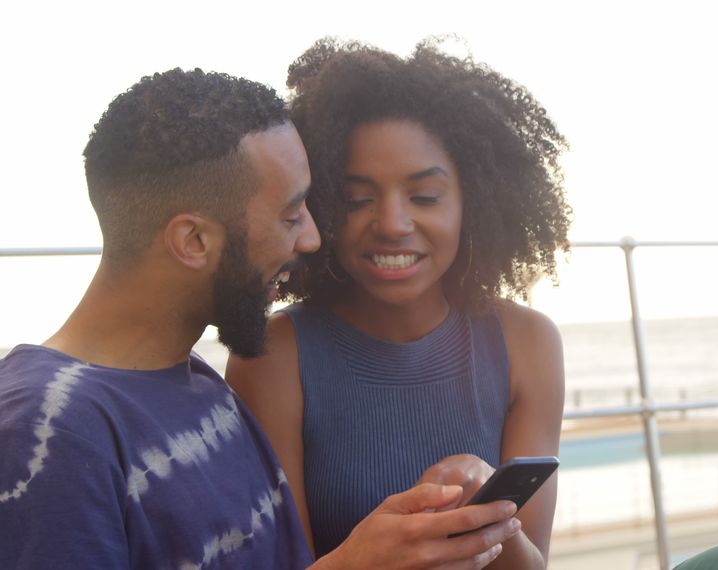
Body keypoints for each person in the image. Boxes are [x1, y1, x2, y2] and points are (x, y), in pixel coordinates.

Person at [0, 68, 522, 569]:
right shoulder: (46, 432)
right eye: (291, 215)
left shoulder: (202, 390)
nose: (313, 239)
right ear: (194, 241)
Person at [226, 38, 570, 570]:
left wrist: (487, 513)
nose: (391, 224)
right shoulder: (274, 356)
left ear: (472, 203)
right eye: (357, 198)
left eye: (424, 197)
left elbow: (533, 565)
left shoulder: (527, 343)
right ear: (318, 208)